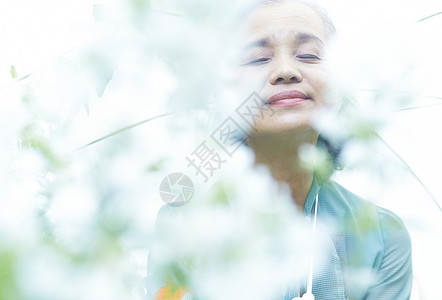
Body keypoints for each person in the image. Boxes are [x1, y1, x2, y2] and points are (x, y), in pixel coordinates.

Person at [146, 0, 413, 299]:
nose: (285, 71)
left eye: (309, 55)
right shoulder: (185, 223)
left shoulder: (383, 236)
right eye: (258, 58)